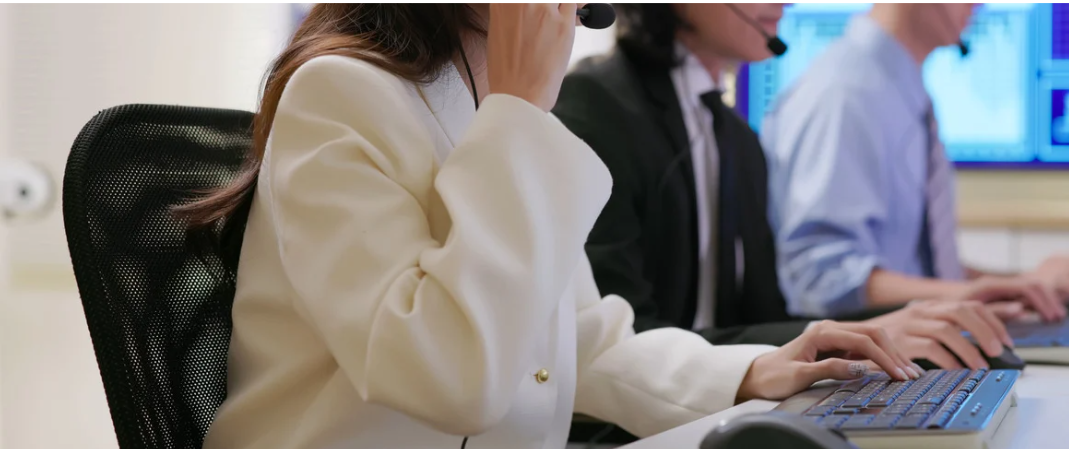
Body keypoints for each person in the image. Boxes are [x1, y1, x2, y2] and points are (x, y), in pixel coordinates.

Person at [179, 5, 917, 449]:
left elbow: (585, 341)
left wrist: (752, 371)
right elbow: (448, 377)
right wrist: (523, 109)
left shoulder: (490, 108)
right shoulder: (340, 96)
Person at [553, 3, 1030, 371]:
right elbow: (618, 342)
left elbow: (762, 319)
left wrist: (874, 333)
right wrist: (852, 335)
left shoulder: (735, 137)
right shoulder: (594, 106)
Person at [763, 4, 1069, 323]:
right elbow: (821, 279)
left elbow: (916, 271)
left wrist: (1029, 284)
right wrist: (969, 295)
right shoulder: (844, 94)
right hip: (862, 362)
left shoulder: (896, 88)